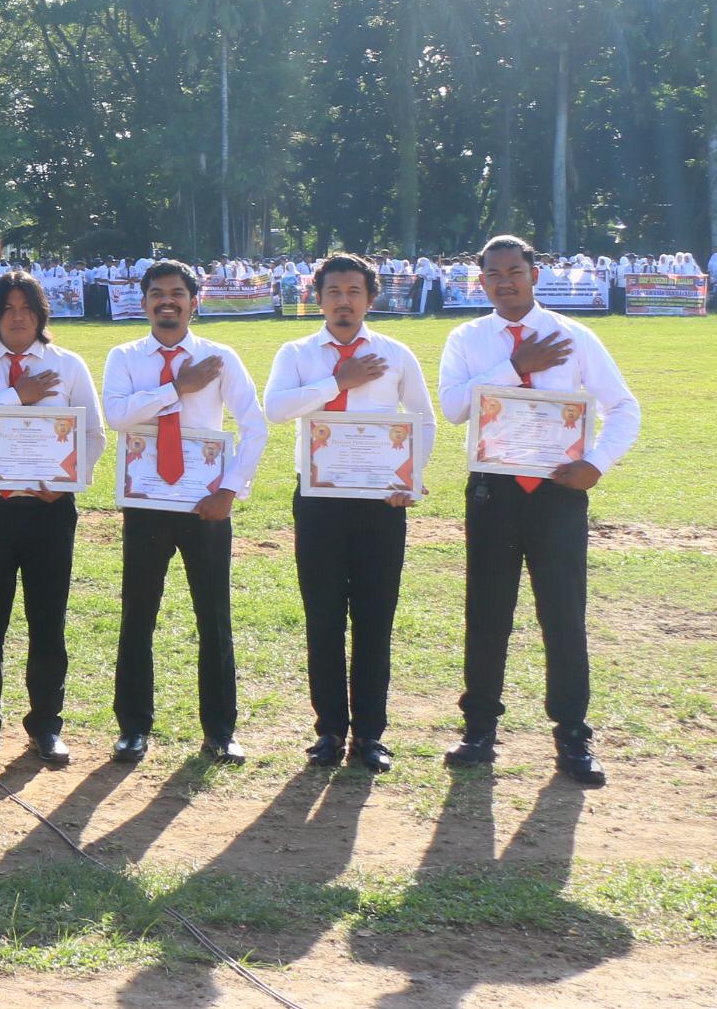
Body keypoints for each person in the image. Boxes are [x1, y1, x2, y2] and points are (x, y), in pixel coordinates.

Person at [436, 234, 642, 786]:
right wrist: (513, 364)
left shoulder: (574, 336)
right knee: (487, 612)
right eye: (493, 275)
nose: (505, 282)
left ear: (534, 273)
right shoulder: (468, 338)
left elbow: (624, 408)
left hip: (557, 492)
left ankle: (573, 736)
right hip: (493, 491)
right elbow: (455, 408)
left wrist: (596, 463)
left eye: (515, 271)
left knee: (563, 613)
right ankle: (479, 730)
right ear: (480, 282)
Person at [263, 252, 433, 773]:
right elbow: (274, 409)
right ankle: (330, 731)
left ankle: (372, 735)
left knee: (375, 619)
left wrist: (412, 481)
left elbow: (423, 420)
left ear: (370, 299)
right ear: (317, 299)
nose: (344, 301)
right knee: (324, 618)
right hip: (318, 502)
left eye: (354, 292)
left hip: (381, 503)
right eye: (333, 292)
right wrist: (339, 380)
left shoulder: (396, 353)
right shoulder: (296, 352)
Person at [100, 258, 269, 765]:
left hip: (206, 506)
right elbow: (116, 416)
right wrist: (178, 388)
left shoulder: (221, 356)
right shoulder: (125, 356)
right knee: (138, 615)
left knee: (214, 616)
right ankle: (133, 727)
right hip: (148, 504)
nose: (166, 302)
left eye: (177, 293)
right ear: (144, 301)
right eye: (156, 293)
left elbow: (254, 425)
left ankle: (220, 730)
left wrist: (230, 490)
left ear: (195, 302)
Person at [0, 271, 105, 765]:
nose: (18, 317)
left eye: (27, 308)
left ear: (41, 315)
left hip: (51, 511)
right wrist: (19, 395)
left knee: (48, 622)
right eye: (8, 307)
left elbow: (93, 435)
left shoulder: (67, 364)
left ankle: (45, 727)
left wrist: (67, 484)